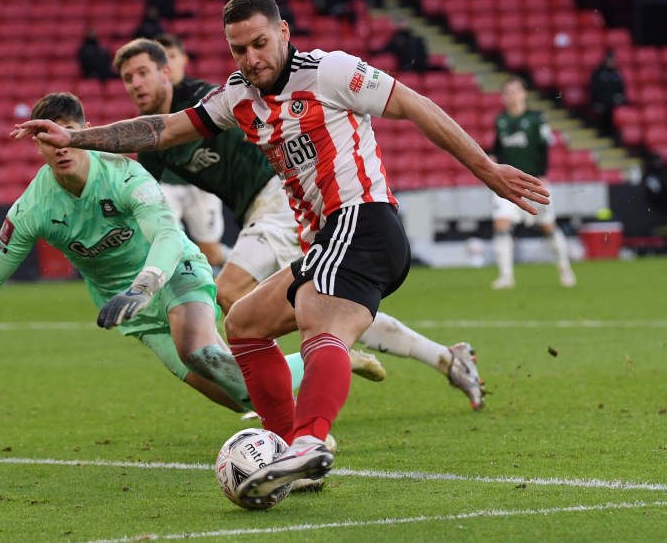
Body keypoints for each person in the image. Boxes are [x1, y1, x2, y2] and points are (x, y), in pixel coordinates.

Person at [12, 0, 548, 506]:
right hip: (325, 239)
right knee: (242, 321)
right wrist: (76, 137)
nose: (250, 58)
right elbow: (164, 130)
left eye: (259, 43)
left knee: (320, 319)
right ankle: (283, 450)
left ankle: (310, 444)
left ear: (283, 33)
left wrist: (488, 170)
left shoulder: (331, 71)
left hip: (364, 221)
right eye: (238, 49)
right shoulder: (237, 96)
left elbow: (414, 104)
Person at [116, 36, 487, 408]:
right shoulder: (156, 146)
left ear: (167, 72)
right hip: (262, 214)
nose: (136, 83)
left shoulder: (201, 99)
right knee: (338, 306)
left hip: (277, 198)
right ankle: (446, 359)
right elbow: (149, 194)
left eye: (143, 72)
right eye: (128, 77)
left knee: (231, 291)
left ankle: (277, 392)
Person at [0, 92, 300, 419]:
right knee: (238, 395)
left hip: (171, 272)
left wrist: (145, 285)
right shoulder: (33, 209)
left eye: (69, 133)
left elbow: (168, 235)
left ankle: (302, 434)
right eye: (47, 138)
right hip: (125, 308)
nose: (61, 146)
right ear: (37, 146)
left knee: (198, 352)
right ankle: (320, 361)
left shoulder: (124, 175)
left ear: (86, 132)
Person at [489, 77, 576, 290]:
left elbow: (544, 148)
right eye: (508, 92)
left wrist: (543, 175)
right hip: (508, 184)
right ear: (503, 96)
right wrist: (492, 160)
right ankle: (506, 276)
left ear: (524, 93)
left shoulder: (537, 119)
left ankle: (564, 268)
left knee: (547, 226)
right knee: (500, 223)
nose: (512, 96)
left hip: (533, 181)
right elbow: (498, 148)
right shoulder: (500, 120)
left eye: (516, 91)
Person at [154, 33, 230, 270]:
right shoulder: (152, 99)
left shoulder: (201, 94)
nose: (167, 63)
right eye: (161, 59)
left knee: (210, 252)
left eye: (171, 56)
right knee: (166, 244)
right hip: (167, 185)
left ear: (183, 59)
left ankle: (242, 266)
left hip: (201, 184)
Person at [371, 18, 443, 73]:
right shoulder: (395, 40)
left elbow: (424, 54)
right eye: (401, 22)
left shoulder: (417, 39)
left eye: (405, 22)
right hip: (406, 68)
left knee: (440, 70)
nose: (404, 24)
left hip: (421, 66)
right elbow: (384, 49)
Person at [588, 49, 627, 137]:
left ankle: (616, 136)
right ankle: (603, 134)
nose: (612, 62)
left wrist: (620, 98)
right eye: (610, 59)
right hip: (601, 103)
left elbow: (621, 90)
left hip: (613, 103)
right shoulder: (598, 73)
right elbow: (594, 90)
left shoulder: (617, 74)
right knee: (603, 110)